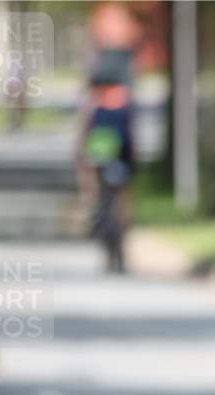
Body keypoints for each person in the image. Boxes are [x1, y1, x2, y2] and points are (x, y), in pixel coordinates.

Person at [75, 68, 135, 273]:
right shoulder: (122, 99)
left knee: (101, 201)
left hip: (99, 159)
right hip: (122, 159)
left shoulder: (92, 104)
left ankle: (108, 250)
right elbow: (132, 133)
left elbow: (83, 137)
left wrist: (82, 166)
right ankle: (122, 249)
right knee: (122, 204)